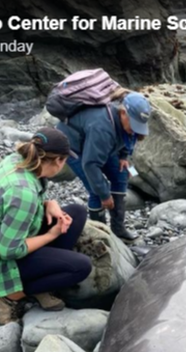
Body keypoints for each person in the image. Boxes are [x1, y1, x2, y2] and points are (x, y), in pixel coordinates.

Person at [0, 127, 92, 325]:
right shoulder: (23, 192)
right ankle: (8, 296)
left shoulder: (19, 161)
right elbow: (9, 250)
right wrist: (51, 235)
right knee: (81, 268)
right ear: (58, 161)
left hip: (0, 236)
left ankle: (42, 271)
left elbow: (14, 207)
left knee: (77, 212)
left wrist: (49, 204)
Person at [57, 90, 153, 242]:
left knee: (122, 173)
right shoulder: (102, 127)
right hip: (75, 149)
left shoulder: (124, 122)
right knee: (96, 190)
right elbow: (90, 164)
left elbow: (129, 137)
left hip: (99, 146)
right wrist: (105, 195)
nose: (136, 129)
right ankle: (101, 233)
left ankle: (118, 228)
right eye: (134, 124)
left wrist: (123, 156)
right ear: (123, 113)